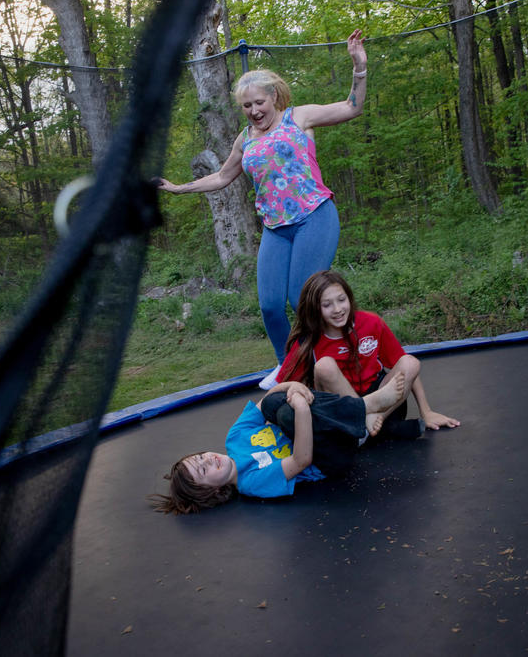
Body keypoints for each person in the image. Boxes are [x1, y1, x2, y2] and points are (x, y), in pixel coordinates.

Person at [157, 29, 369, 389]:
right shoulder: (246, 138)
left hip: (314, 217)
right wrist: (179, 188)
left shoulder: (299, 118)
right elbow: (223, 176)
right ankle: (288, 364)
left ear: (274, 96)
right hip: (275, 228)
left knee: (298, 298)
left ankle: (328, 363)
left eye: (260, 103)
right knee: (271, 305)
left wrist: (359, 67)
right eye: (247, 106)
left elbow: (352, 107)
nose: (254, 111)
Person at [149, 373, 406, 514]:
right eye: (204, 470)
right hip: (329, 458)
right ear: (212, 492)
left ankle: (372, 416)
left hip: (316, 427)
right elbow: (301, 460)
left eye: (200, 457)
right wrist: (302, 409)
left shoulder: (234, 439)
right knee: (287, 413)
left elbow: (267, 399)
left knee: (276, 405)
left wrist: (293, 386)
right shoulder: (251, 483)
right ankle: (365, 408)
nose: (208, 459)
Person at [275, 270, 460, 433]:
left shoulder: (371, 322)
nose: (338, 309)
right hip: (340, 409)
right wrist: (264, 422)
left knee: (410, 362)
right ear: (315, 308)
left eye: (341, 300)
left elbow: (404, 365)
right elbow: (280, 388)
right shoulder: (308, 340)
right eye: (327, 305)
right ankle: (373, 427)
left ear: (349, 298)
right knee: (324, 366)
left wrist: (426, 411)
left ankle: (366, 429)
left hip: (383, 407)